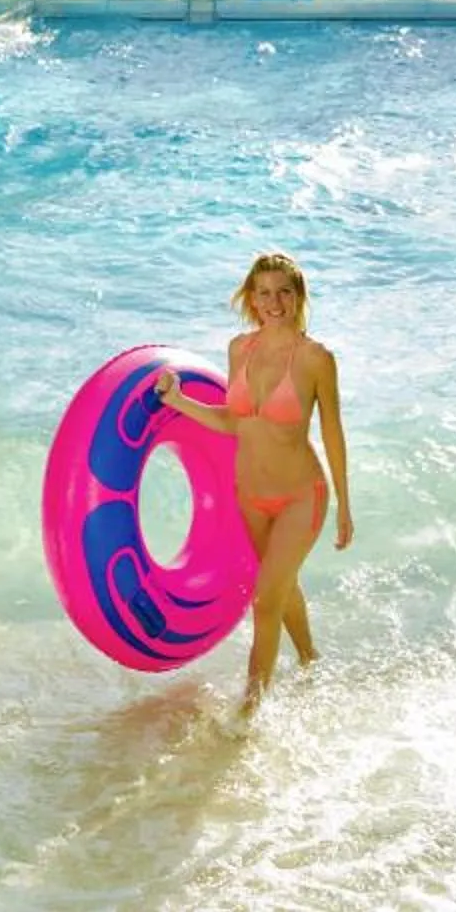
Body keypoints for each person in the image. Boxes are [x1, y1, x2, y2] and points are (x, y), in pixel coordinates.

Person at [152, 250, 352, 710]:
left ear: (298, 295)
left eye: (284, 291)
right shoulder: (239, 349)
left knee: (265, 600)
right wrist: (178, 401)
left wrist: (344, 504)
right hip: (252, 497)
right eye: (264, 293)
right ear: (252, 298)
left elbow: (333, 433)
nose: (274, 301)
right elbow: (235, 421)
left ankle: (248, 711)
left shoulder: (316, 359)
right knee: (281, 588)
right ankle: (309, 660)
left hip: (302, 496)